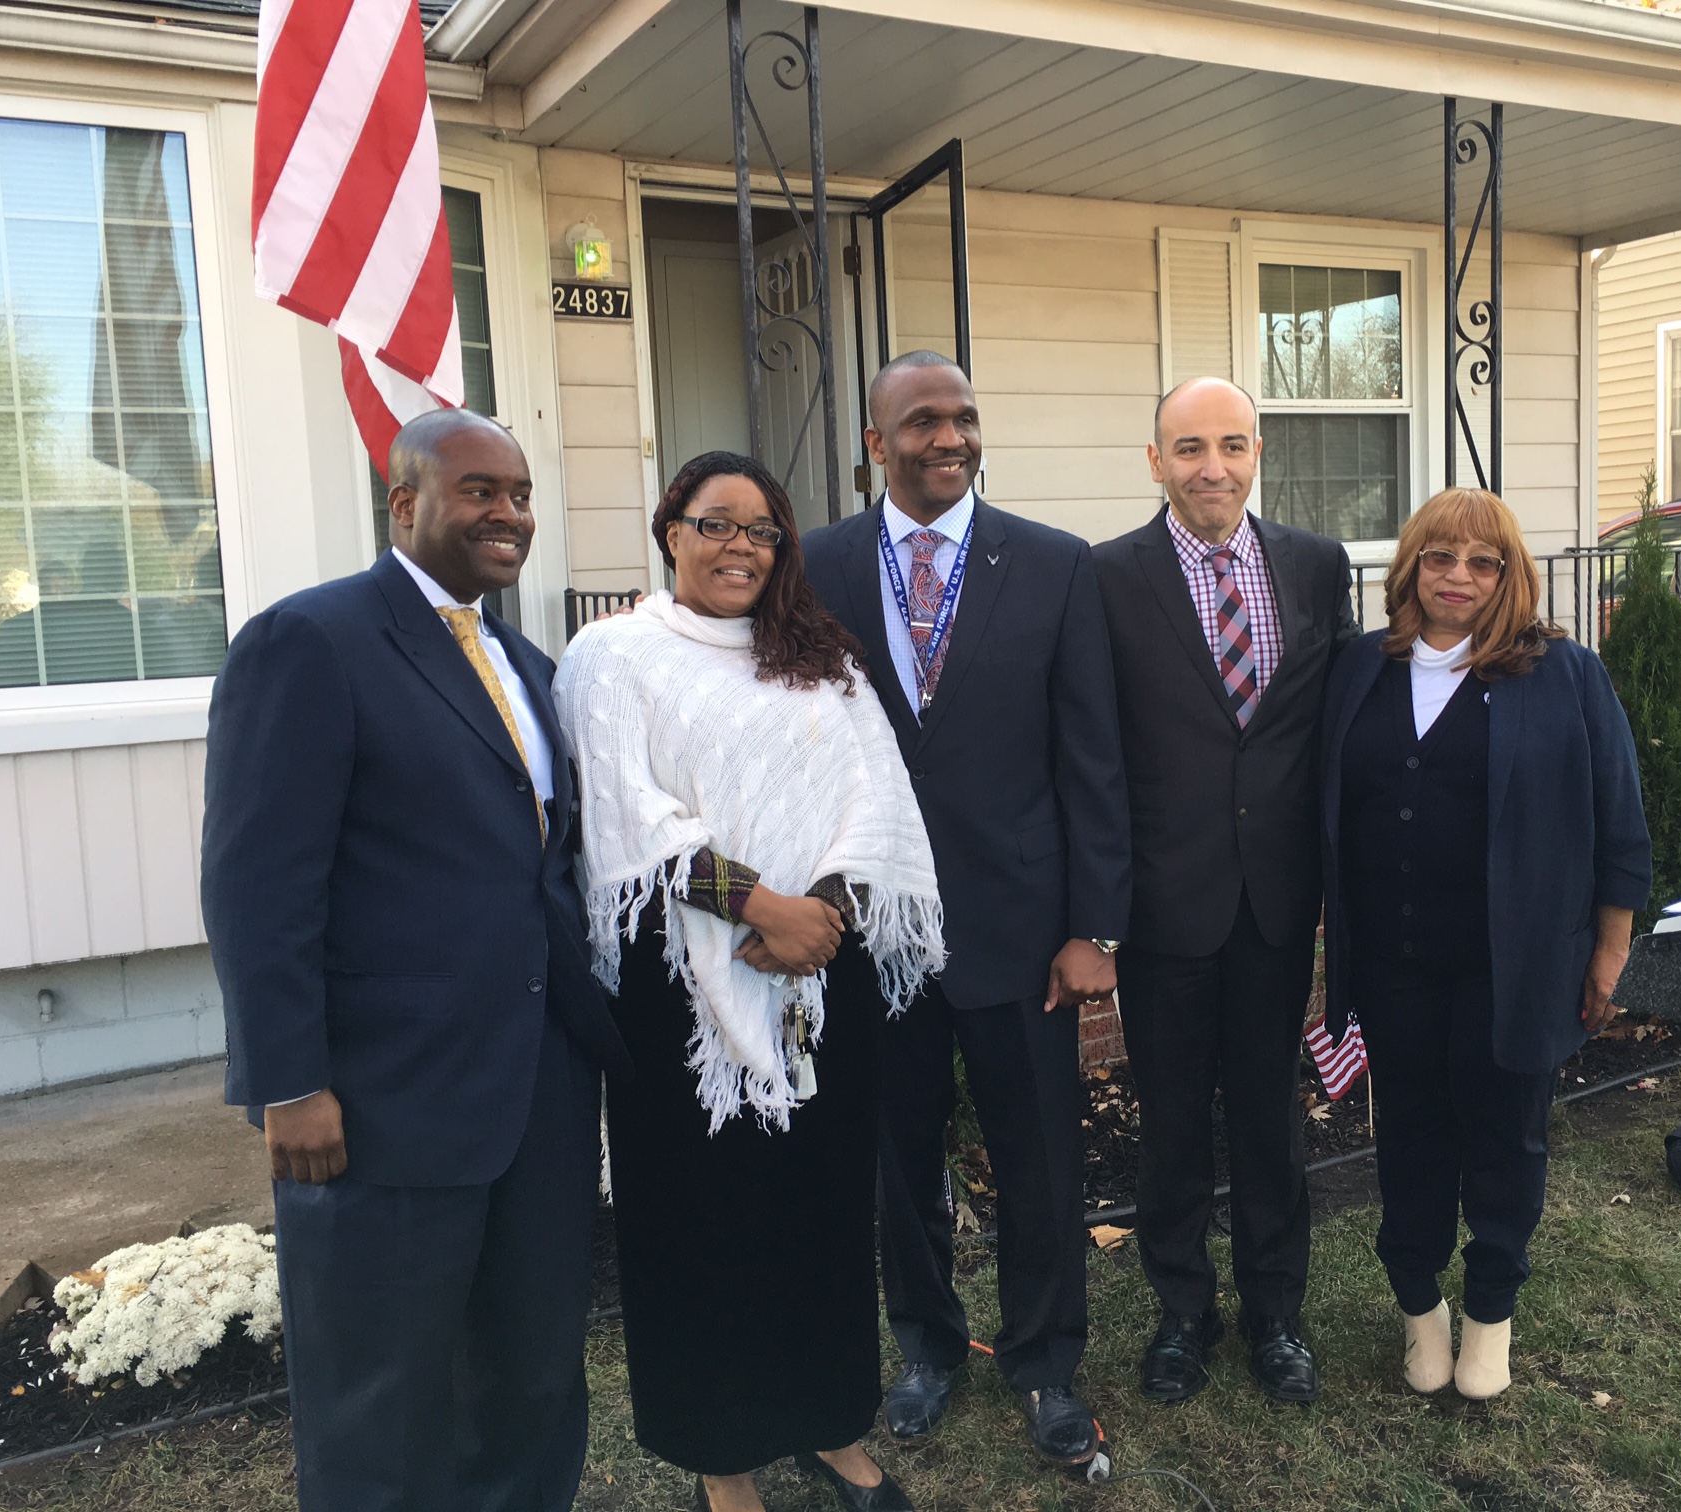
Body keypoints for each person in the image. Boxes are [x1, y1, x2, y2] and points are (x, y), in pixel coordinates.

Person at [201, 408, 631, 1510]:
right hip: (385, 1098)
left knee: (531, 1374)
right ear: (406, 505)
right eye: (481, 490)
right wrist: (288, 1080)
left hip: (534, 1088)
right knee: (380, 1396)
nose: (509, 515)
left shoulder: (526, 665)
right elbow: (258, 884)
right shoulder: (313, 641)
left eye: (522, 494)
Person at [555, 451, 944, 1512]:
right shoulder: (613, 657)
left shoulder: (822, 657)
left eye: (763, 530)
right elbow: (627, 818)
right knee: (700, 1226)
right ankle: (723, 1459)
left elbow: (879, 802)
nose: (740, 547)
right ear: (668, 529)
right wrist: (758, 907)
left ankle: (830, 1427)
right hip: (678, 990)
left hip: (822, 977)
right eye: (716, 524)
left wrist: (820, 911)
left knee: (819, 1215)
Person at [802, 351, 1130, 1467]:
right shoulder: (817, 565)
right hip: (875, 935)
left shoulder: (1053, 566)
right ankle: (929, 1346)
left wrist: (1096, 926)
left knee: (1040, 1160)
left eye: (966, 419)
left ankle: (1047, 1365)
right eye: (923, 420)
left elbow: (1093, 757)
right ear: (875, 444)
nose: (949, 437)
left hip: (1023, 928)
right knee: (899, 1160)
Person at [1319, 487, 1651, 1402]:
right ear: (1412, 566)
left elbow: (1620, 822)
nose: (1458, 576)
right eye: (1439, 557)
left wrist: (1610, 950)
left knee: (1506, 1138)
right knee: (1411, 1140)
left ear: (1510, 576)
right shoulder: (1360, 668)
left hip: (1520, 966)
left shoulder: (1562, 673)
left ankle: (1491, 1318)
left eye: (1482, 562)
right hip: (1394, 965)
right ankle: (1421, 1312)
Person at [1092, 377, 1357, 1405]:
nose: (1214, 466)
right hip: (1164, 907)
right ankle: (1182, 1314)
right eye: (1190, 447)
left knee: (1268, 1117)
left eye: (1233, 445)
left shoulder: (1316, 566)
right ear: (1154, 460)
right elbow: (1095, 750)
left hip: (1280, 901)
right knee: (1168, 1122)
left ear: (1258, 453)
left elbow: (1337, 722)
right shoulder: (1107, 578)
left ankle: (1275, 1314)